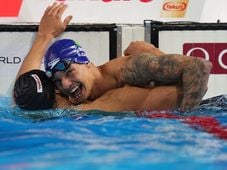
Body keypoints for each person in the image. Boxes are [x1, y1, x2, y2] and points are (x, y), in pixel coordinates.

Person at [16, 2, 212, 112]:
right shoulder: (75, 99)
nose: (65, 84)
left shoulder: (131, 69)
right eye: (58, 81)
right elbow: (24, 92)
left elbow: (199, 67)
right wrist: (44, 36)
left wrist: (187, 121)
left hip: (210, 112)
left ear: (87, 62)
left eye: (69, 72)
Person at [14, 69, 181, 112]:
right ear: (57, 91)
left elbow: (26, 86)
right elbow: (181, 93)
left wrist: (44, 37)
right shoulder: (109, 103)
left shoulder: (25, 104)